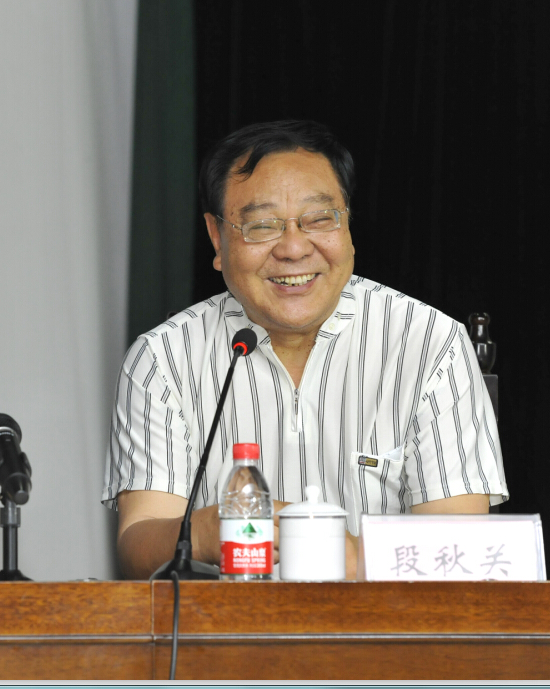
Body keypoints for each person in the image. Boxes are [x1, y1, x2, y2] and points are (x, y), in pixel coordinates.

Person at [104, 120, 507, 580]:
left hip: (384, 624)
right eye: (261, 225)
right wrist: (205, 530)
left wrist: (350, 555)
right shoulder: (163, 359)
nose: (294, 248)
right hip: (224, 624)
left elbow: (459, 548)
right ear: (217, 237)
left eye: (319, 219)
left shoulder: (431, 344)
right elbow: (138, 542)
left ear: (348, 224)